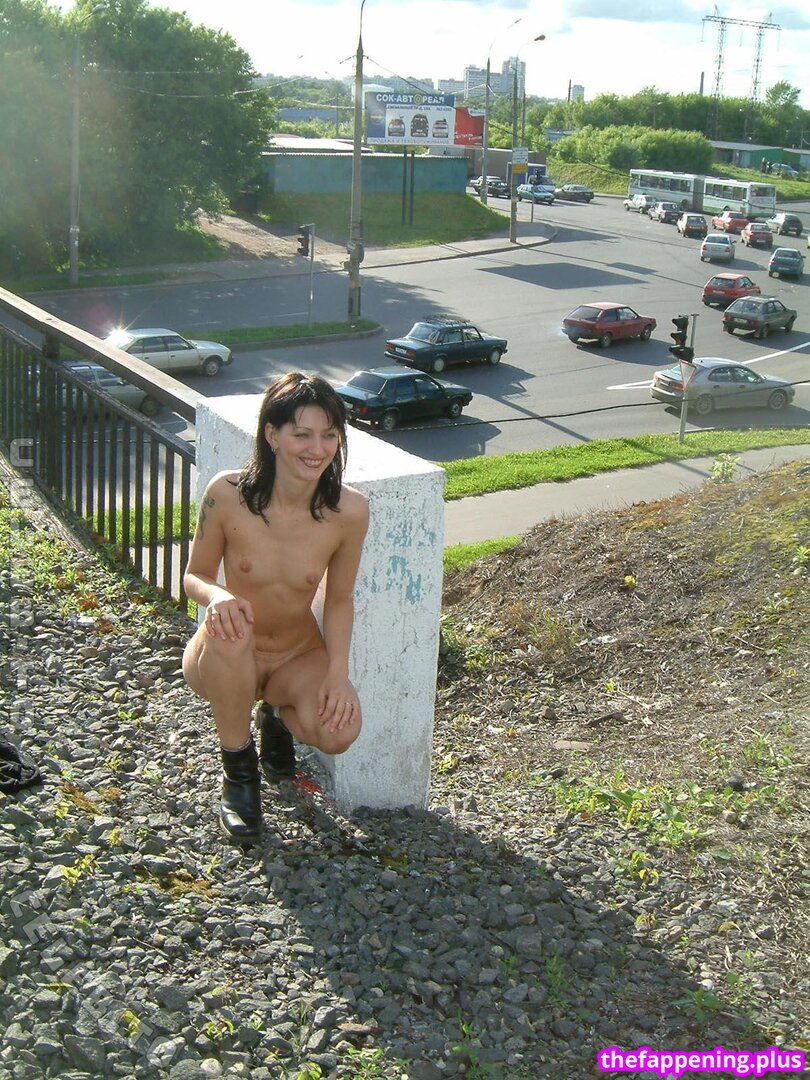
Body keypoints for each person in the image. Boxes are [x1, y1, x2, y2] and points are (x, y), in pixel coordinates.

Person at [182, 372, 369, 842]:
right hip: (226, 652)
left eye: (329, 435)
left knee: (338, 732)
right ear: (272, 434)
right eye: (302, 434)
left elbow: (339, 599)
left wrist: (338, 674)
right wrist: (218, 596)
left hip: (295, 654)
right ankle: (239, 774)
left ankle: (277, 716)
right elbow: (194, 575)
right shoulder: (227, 495)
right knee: (233, 631)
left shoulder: (349, 512)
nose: (317, 449)